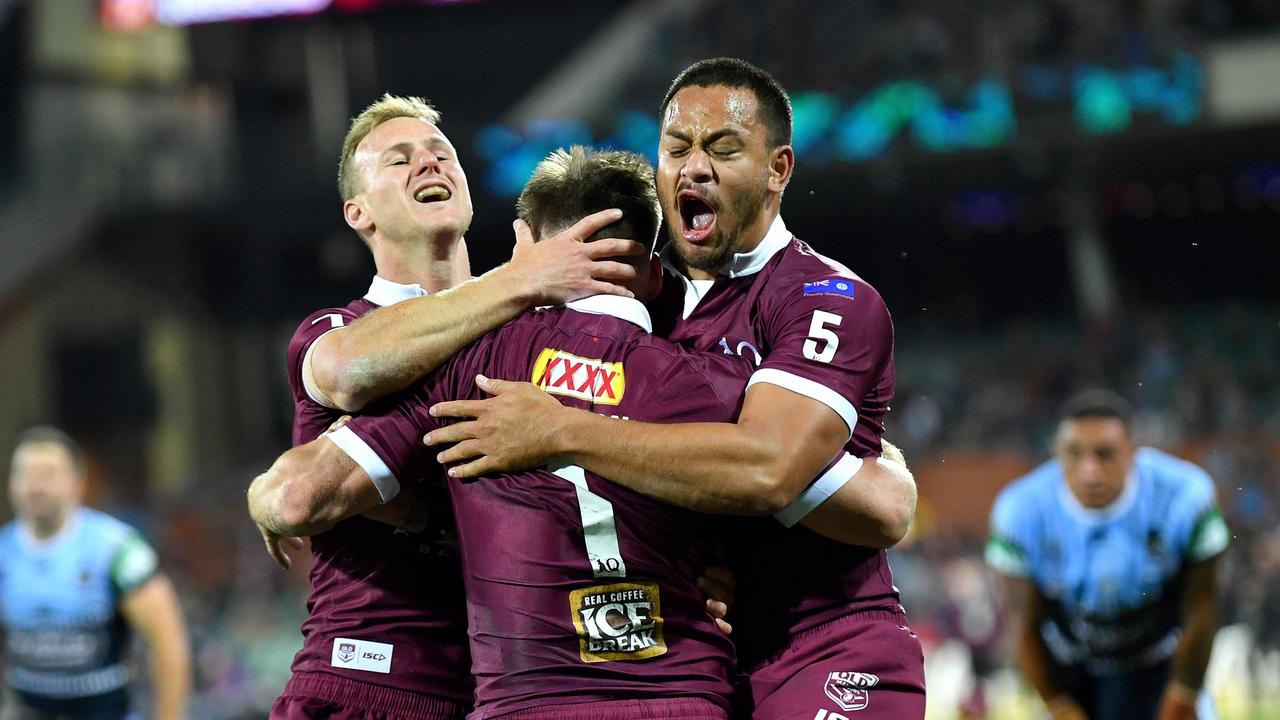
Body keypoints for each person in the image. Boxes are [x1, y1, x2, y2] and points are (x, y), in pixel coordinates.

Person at [425, 58, 926, 719]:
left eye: (722, 148)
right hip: (709, 659)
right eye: (676, 148)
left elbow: (768, 468)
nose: (694, 167)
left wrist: (560, 431)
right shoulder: (649, 312)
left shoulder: (821, 298)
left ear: (779, 170)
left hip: (829, 647)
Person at [257, 146, 749, 719]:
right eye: (399, 158)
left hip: (520, 700)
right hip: (684, 698)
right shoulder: (717, 380)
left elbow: (299, 496)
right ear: (654, 274)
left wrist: (264, 501)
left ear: (522, 244)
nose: (427, 165)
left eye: (442, 153)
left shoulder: (472, 368)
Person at [985, 389, 1229, 720]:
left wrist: (1180, 702)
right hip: (1071, 673)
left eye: (1105, 454)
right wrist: (1063, 709)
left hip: (1160, 665)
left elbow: (1202, 609)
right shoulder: (1019, 512)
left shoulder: (1185, 497)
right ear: (1056, 453)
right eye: (1074, 454)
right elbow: (1022, 626)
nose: (1090, 471)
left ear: (1133, 452)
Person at [0, 427, 190, 720]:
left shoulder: (117, 552)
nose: (35, 485)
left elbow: (167, 641)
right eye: (25, 473)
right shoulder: (4, 554)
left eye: (49, 474)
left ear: (77, 482)